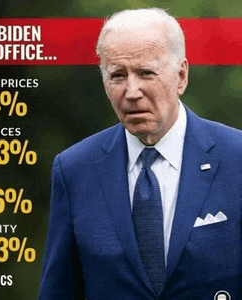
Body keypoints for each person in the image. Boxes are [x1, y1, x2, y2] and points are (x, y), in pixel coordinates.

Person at [39, 8, 242, 300]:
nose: (131, 91)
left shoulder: (236, 158)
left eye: (146, 73)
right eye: (118, 75)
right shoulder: (73, 170)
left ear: (181, 76)